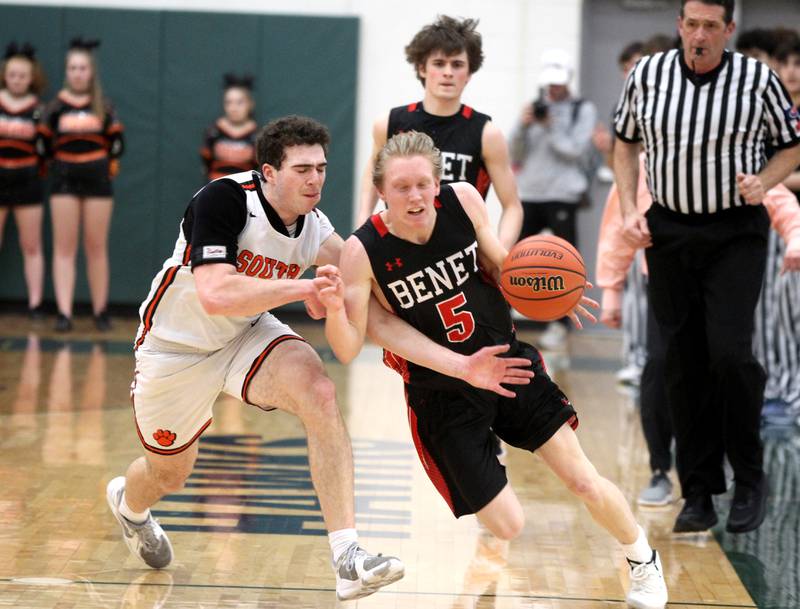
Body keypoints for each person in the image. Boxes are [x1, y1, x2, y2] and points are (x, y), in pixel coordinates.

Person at [322, 131, 668, 609]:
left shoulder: (463, 201)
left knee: (582, 478)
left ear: (438, 182)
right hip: (441, 394)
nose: (415, 196)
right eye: (401, 187)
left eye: (423, 183)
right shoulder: (364, 251)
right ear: (382, 190)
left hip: (506, 362)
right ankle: (489, 446)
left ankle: (643, 561)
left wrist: (553, 289)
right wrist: (334, 309)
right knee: (508, 525)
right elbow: (346, 348)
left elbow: (502, 264)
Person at [105, 115, 403, 601]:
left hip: (246, 335)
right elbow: (216, 292)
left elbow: (363, 280)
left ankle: (348, 558)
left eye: (322, 168)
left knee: (320, 393)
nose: (315, 180)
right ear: (268, 172)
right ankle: (130, 507)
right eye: (302, 169)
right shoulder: (224, 199)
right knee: (169, 474)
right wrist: (306, 286)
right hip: (175, 349)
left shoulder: (316, 228)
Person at [613, 0, 800, 534]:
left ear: (728, 30)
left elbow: (792, 146)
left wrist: (764, 180)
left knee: (731, 353)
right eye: (690, 24)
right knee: (681, 360)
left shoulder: (757, 80)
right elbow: (624, 144)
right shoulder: (647, 76)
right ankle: (697, 491)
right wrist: (629, 210)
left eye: (710, 27)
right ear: (679, 25)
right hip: (668, 228)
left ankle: (749, 474)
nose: (698, 35)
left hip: (734, 231)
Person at [356, 15, 523, 251]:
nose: (448, 72)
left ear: (469, 73)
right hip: (400, 249)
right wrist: (363, 228)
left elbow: (513, 206)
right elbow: (371, 180)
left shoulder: (486, 133)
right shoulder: (389, 123)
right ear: (422, 68)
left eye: (457, 64)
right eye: (439, 63)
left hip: (461, 251)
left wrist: (498, 254)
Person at [509, 48, 598, 350]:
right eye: (550, 84)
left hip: (563, 196)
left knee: (566, 264)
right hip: (530, 193)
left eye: (558, 83)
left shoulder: (581, 110)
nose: (553, 89)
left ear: (568, 79)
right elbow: (514, 153)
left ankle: (560, 324)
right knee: (514, 258)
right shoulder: (534, 109)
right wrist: (523, 125)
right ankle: (506, 315)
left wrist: (551, 127)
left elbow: (574, 150)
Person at [41, 37, 124, 332]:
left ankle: (100, 310)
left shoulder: (104, 107)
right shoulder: (54, 108)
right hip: (64, 182)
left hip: (98, 184)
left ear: (91, 72)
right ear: (67, 71)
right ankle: (64, 312)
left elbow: (117, 145)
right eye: (73, 68)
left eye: (83, 68)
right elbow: (44, 146)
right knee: (64, 248)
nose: (77, 73)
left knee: (96, 247)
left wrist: (104, 169)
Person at [0, 42, 46, 318]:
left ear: (31, 78)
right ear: (5, 74)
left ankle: (35, 304)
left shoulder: (39, 110)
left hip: (27, 180)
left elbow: (45, 151)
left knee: (31, 245)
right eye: (12, 74)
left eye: (22, 75)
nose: (17, 80)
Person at [200, 73, 258, 182]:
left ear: (250, 104)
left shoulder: (257, 135)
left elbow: (258, 166)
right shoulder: (213, 132)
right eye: (229, 102)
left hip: (245, 188)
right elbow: (206, 162)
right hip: (216, 185)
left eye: (239, 102)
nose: (233, 108)